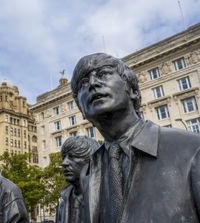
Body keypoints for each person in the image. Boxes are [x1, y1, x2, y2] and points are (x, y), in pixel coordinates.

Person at [71, 53, 200, 223]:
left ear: (132, 90)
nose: (93, 84)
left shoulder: (192, 149)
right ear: (81, 110)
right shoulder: (87, 173)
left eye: (103, 74)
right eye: (83, 83)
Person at [56, 136, 99, 223]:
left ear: (90, 160)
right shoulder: (63, 200)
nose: (64, 163)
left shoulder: (106, 196)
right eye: (64, 157)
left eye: (72, 157)